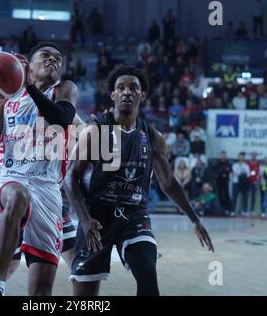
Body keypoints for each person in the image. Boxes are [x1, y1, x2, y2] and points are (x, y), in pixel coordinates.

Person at [65, 65, 214, 296]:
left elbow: (169, 183)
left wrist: (194, 219)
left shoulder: (153, 136)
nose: (127, 92)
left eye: (133, 87)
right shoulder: (94, 131)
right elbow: (70, 180)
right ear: (113, 95)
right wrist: (84, 220)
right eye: (120, 88)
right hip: (96, 217)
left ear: (142, 95)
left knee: (147, 274)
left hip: (134, 215)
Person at [0, 42, 78, 296]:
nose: (53, 60)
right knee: (19, 195)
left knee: (41, 291)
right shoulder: (6, 98)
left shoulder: (64, 89)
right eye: (46, 56)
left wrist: (29, 87)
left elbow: (60, 119)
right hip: (11, 178)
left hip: (48, 190)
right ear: (28, 65)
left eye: (58, 58)